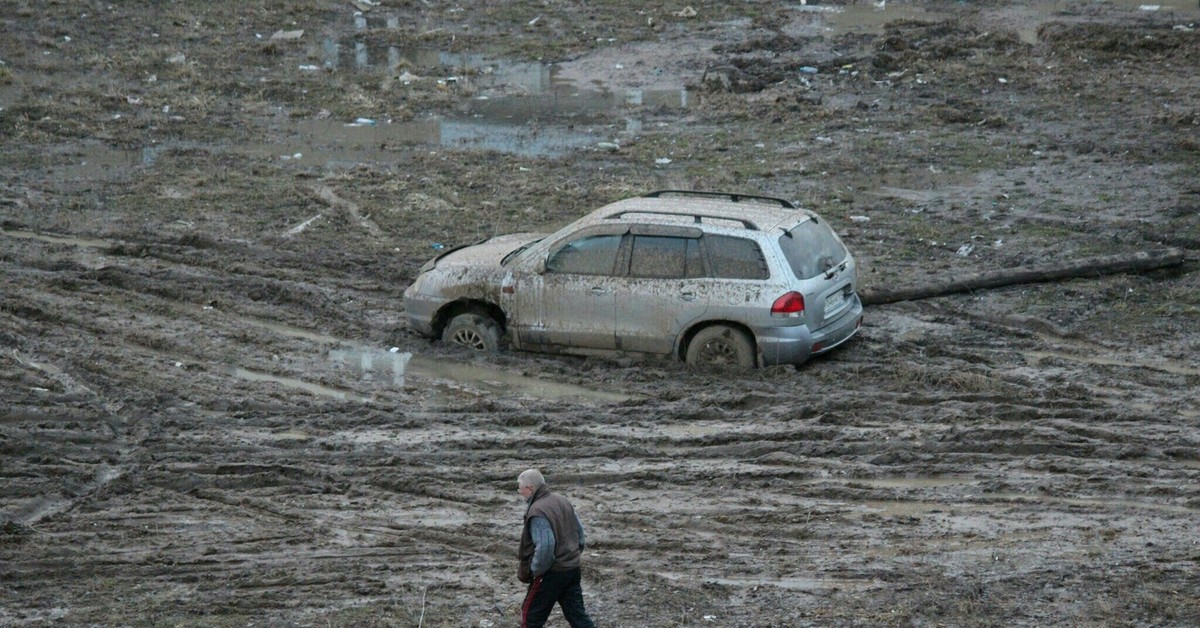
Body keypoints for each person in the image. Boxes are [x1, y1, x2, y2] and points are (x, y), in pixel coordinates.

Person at [516, 468, 596, 628]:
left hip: (552, 573)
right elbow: (579, 535)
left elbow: (546, 546)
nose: (519, 492)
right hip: (572, 569)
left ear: (530, 489)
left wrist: (536, 570)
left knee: (530, 617)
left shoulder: (538, 511)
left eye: (520, 488)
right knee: (578, 616)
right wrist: (572, 557)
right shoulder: (562, 500)